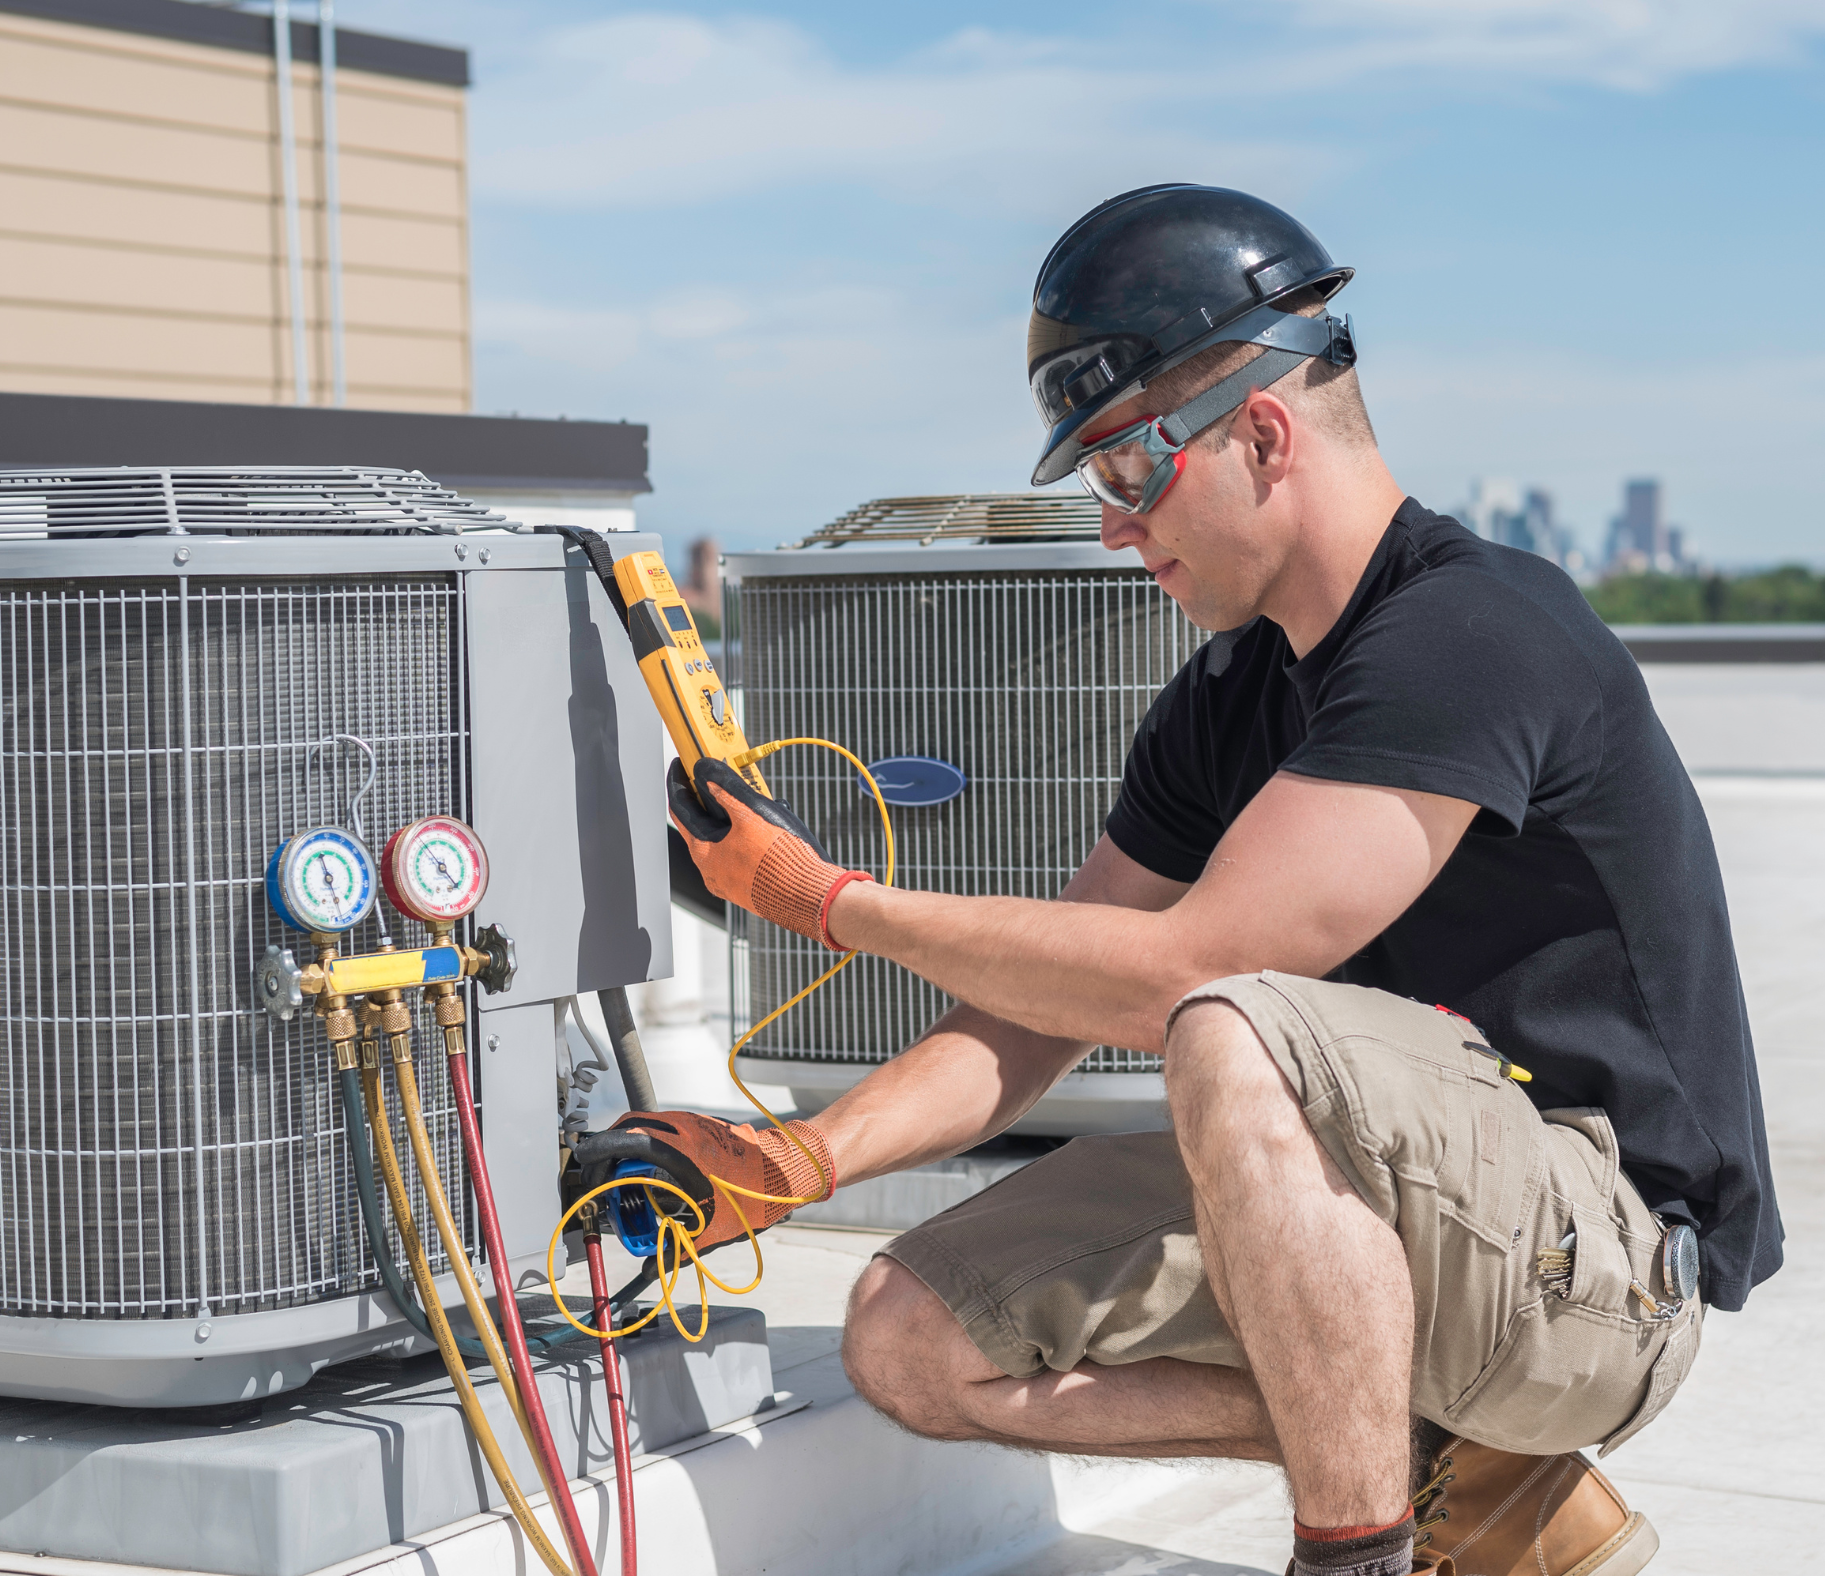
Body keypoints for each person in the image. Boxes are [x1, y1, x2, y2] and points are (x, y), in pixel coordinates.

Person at [634, 185, 1781, 1576]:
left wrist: (827, 902)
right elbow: (1048, 993)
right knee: (910, 1335)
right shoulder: (1226, 698)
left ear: (1263, 431)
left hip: (1599, 1275)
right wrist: (802, 1158)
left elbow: (1190, 971)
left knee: (1232, 1029)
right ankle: (1453, 1475)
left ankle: (1354, 1556)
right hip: (1417, 1231)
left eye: (1126, 473)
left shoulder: (1471, 634)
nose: (1116, 530)